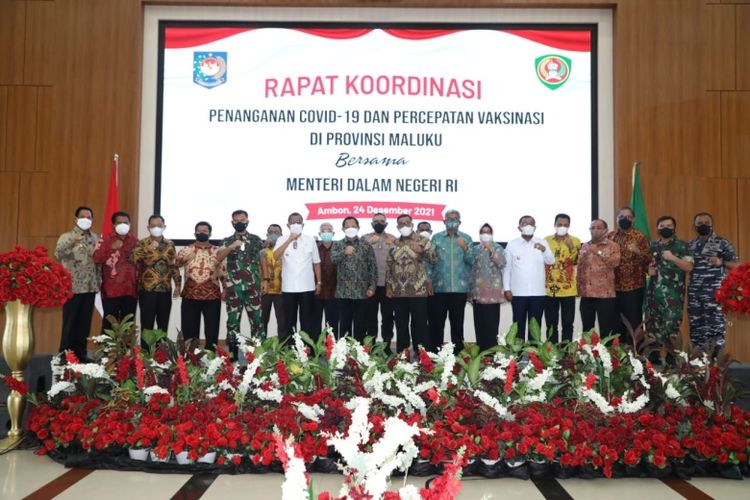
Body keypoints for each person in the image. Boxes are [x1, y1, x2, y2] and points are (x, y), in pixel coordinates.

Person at [687, 212, 740, 355]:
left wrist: (721, 262)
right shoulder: (690, 245)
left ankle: (716, 370)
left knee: (716, 331)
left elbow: (737, 265)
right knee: (696, 331)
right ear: (694, 226)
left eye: (706, 222)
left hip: (715, 294)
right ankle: (698, 370)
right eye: (699, 223)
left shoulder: (723, 242)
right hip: (695, 295)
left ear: (712, 224)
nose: (703, 225)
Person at [645, 216, 694, 363]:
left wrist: (673, 258)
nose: (665, 228)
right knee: (653, 327)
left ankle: (672, 359)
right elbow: (649, 267)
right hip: (653, 296)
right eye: (662, 225)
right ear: (657, 228)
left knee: (671, 327)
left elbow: (689, 267)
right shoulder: (653, 246)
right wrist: (649, 270)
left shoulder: (682, 246)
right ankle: (654, 360)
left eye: (669, 225)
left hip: (673, 297)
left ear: (674, 228)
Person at [386, 214, 436, 353]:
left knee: (420, 324)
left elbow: (434, 259)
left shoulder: (423, 240)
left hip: (418, 290)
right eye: (401, 224)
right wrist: (388, 285)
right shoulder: (394, 243)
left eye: (407, 223)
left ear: (412, 225)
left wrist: (423, 251)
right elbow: (389, 265)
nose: (404, 225)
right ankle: (403, 355)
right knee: (401, 325)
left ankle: (423, 356)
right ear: (397, 227)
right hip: (398, 291)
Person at [55, 206, 100, 361]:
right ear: (76, 219)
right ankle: (65, 354)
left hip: (90, 286)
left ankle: (81, 353)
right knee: (70, 322)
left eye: (89, 217)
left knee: (84, 323)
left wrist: (99, 280)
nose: (86, 219)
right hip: (72, 287)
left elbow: (98, 261)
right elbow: (58, 253)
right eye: (83, 216)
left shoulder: (95, 238)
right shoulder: (66, 237)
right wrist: (72, 242)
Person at [218, 210, 264, 357]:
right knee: (232, 323)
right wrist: (231, 247)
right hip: (233, 289)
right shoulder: (226, 241)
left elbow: (263, 261)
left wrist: (266, 281)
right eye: (236, 221)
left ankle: (257, 356)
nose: (239, 223)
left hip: (253, 288)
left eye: (242, 220)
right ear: (232, 223)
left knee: (257, 322)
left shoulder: (256, 240)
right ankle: (233, 356)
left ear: (247, 221)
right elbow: (219, 259)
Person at [130, 214, 181, 345]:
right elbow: (133, 259)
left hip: (165, 289)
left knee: (163, 324)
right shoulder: (142, 243)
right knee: (147, 323)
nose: (156, 228)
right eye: (153, 226)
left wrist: (178, 284)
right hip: (147, 289)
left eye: (159, 225)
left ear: (164, 226)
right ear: (148, 227)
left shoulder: (170, 244)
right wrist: (148, 249)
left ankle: (161, 354)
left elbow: (173, 265)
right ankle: (146, 354)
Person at [503, 215, 555, 341]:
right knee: (518, 324)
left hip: (538, 293)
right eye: (525, 223)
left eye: (531, 224)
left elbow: (551, 261)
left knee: (535, 326)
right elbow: (507, 268)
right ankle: (519, 353)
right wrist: (506, 289)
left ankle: (533, 354)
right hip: (518, 293)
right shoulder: (512, 244)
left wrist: (544, 250)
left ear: (535, 227)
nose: (528, 226)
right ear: (519, 227)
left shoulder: (542, 242)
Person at [176, 221, 226, 352]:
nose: (202, 232)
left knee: (212, 329)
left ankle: (210, 355)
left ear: (210, 233)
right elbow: (175, 265)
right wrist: (186, 258)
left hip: (212, 295)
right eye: (199, 230)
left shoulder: (217, 251)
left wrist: (225, 288)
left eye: (205, 230)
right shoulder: (186, 249)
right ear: (194, 233)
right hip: (190, 295)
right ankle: (191, 355)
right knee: (189, 330)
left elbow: (223, 271)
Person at [430, 209, 474, 354]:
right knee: (437, 323)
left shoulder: (466, 238)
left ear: (460, 222)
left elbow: (472, 261)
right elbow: (430, 262)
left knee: (457, 324)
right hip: (439, 288)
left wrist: (465, 248)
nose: (452, 220)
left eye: (455, 218)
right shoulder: (436, 238)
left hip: (459, 289)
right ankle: (436, 353)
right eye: (449, 218)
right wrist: (428, 281)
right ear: (444, 221)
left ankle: (458, 353)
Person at [273, 212, 322, 341]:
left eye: (298, 222)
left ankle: (307, 350)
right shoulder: (281, 239)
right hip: (289, 287)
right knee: (289, 321)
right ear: (288, 225)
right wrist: (290, 239)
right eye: (293, 222)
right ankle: (291, 349)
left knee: (307, 320)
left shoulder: (310, 240)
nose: (296, 224)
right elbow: (276, 256)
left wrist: (319, 282)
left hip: (307, 287)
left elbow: (316, 263)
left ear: (303, 224)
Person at [331, 217, 377, 341]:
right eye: (347, 226)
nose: (350, 228)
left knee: (360, 324)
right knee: (344, 325)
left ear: (358, 228)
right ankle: (344, 353)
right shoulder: (338, 244)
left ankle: (358, 353)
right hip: (343, 292)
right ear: (343, 229)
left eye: (353, 226)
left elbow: (372, 267)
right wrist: (344, 252)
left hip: (362, 292)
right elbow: (333, 259)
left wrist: (372, 287)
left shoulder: (365, 245)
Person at [608, 207, 651, 340]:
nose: (624, 219)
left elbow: (650, 259)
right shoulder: (610, 236)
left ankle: (636, 354)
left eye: (628, 217)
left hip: (633, 287)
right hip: (613, 288)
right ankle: (618, 356)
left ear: (633, 219)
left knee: (633, 323)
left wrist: (638, 251)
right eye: (621, 217)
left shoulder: (639, 237)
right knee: (615, 324)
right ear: (616, 219)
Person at [93, 211, 138, 333]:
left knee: (128, 324)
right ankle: (108, 351)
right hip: (111, 290)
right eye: (119, 222)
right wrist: (111, 248)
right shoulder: (105, 240)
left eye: (126, 222)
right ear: (113, 224)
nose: (123, 225)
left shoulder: (135, 241)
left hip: (130, 289)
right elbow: (96, 258)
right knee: (109, 323)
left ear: (130, 224)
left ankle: (126, 351)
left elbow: (140, 263)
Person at [577, 219, 621, 336]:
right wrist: (578, 289)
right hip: (587, 295)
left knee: (606, 329)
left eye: (598, 228)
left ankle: (607, 353)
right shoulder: (585, 246)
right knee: (587, 330)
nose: (595, 230)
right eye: (593, 228)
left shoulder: (613, 246)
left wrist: (598, 252)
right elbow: (580, 269)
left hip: (605, 295)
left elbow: (615, 263)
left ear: (605, 230)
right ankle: (588, 353)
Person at [544, 213, 581, 343]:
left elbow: (577, 261)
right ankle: (551, 351)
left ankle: (566, 352)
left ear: (569, 226)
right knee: (551, 324)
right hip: (550, 289)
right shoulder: (546, 240)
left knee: (567, 323)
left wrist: (571, 246)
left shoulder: (575, 241)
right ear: (554, 225)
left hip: (568, 290)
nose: (562, 227)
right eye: (559, 224)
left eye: (565, 225)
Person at [363, 213, 397, 352]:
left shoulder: (393, 239)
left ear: (386, 224)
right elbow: (358, 257)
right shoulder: (364, 238)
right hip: (370, 285)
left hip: (388, 285)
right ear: (371, 224)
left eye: (382, 221)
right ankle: (371, 346)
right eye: (376, 221)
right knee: (370, 317)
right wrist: (369, 243)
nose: (379, 223)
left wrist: (394, 245)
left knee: (388, 317)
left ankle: (386, 345)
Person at [469, 223, 506, 350]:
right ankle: (480, 350)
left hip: (492, 293)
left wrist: (491, 250)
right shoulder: (474, 249)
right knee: (479, 324)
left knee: (491, 324)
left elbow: (502, 263)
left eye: (488, 232)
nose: (485, 234)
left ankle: (491, 351)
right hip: (477, 292)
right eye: (483, 232)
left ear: (492, 234)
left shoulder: (498, 247)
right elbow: (471, 268)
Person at [312, 222, 339, 338]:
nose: (326, 233)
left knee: (332, 324)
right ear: (319, 233)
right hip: (316, 291)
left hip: (334, 292)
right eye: (323, 230)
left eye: (329, 230)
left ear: (333, 233)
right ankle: (314, 351)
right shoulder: (314, 248)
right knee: (314, 323)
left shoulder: (339, 248)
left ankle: (332, 350)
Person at [260, 224, 285, 338]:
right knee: (262, 321)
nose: (274, 234)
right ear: (267, 235)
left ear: (281, 235)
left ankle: (282, 350)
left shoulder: (285, 250)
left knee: (283, 323)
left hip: (282, 291)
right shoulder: (261, 251)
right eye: (271, 232)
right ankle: (261, 348)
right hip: (264, 291)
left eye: (277, 232)